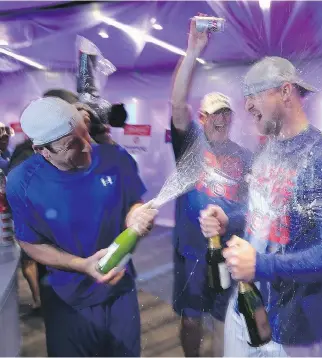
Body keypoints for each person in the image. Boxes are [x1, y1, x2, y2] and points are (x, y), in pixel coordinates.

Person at [200, 56, 322, 357]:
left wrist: (263, 266)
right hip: (245, 306)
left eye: (255, 95)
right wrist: (230, 220)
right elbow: (266, 216)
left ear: (286, 92)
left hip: (292, 331)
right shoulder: (268, 151)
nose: (246, 106)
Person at [6, 96, 158, 356]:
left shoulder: (115, 158)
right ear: (42, 149)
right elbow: (30, 242)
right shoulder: (22, 183)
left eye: (85, 134)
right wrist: (82, 265)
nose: (87, 147)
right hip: (68, 301)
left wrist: (137, 216)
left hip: (120, 294)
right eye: (71, 144)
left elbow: (135, 202)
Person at [169, 15, 252, 357]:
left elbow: (253, 205)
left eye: (226, 113)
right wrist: (192, 51)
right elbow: (176, 104)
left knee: (224, 320)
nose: (221, 119)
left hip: (228, 252)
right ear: (201, 119)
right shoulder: (189, 146)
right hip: (191, 251)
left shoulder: (245, 156)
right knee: (191, 322)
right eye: (214, 113)